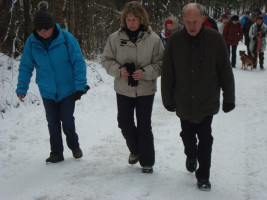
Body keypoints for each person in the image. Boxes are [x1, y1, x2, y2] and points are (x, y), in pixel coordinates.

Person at [161, 3, 235, 191]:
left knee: (205, 138)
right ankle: (191, 154)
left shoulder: (215, 39)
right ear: (182, 21)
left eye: (195, 21)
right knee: (187, 135)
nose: (192, 26)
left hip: (206, 100)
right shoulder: (175, 40)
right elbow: (168, 72)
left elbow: (225, 71)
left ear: (203, 19)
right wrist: (167, 98)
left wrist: (229, 98)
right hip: (184, 100)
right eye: (188, 22)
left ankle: (203, 176)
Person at [16, 1, 89, 163]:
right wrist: (22, 87)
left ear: (52, 26)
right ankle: (56, 153)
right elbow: (26, 66)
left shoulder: (65, 38)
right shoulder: (32, 42)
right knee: (52, 122)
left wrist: (80, 86)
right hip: (47, 90)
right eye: (39, 30)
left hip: (68, 89)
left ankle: (74, 145)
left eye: (46, 29)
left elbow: (78, 62)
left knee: (67, 120)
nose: (43, 32)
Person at [101, 1, 164, 174]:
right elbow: (106, 60)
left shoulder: (154, 39)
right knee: (124, 123)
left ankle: (147, 162)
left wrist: (145, 72)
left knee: (144, 126)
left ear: (142, 19)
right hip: (123, 89)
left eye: (135, 19)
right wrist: (118, 70)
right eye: (128, 19)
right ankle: (135, 150)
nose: (131, 22)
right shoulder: (115, 38)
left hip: (145, 89)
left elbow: (161, 64)